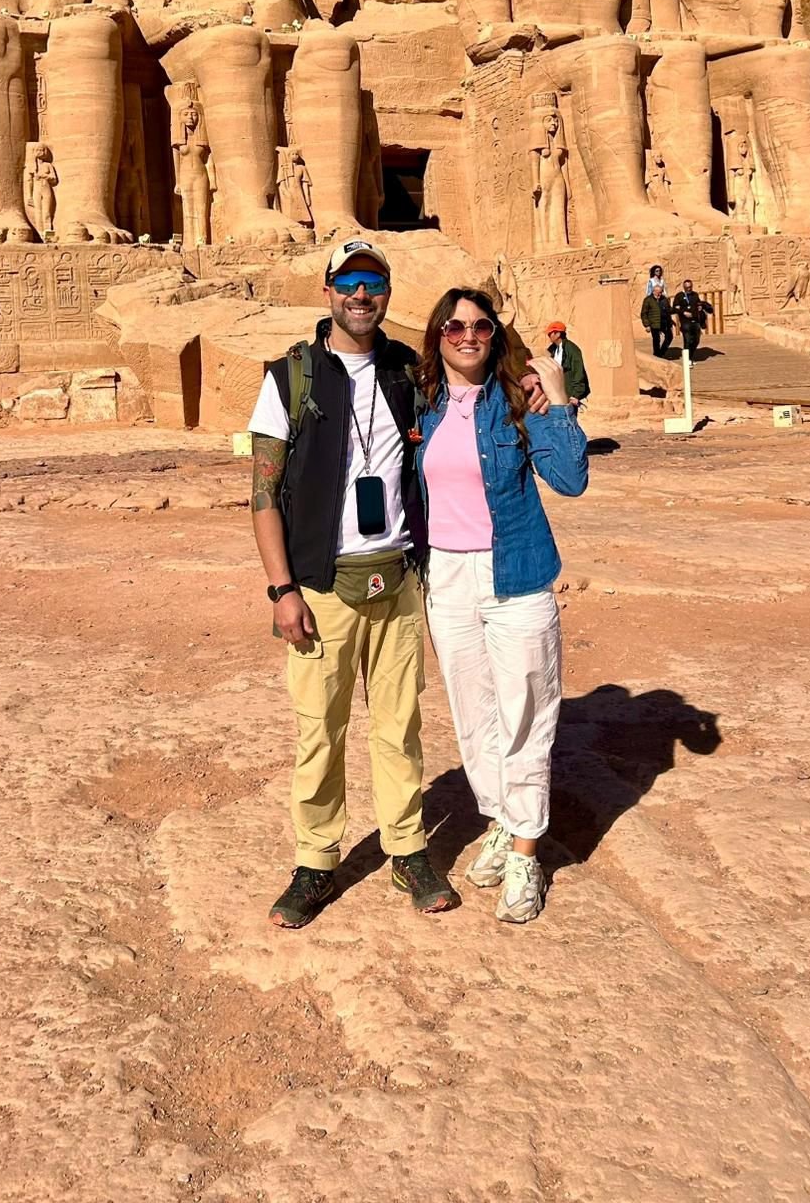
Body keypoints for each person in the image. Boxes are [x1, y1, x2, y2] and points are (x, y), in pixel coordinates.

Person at [248, 240, 548, 930]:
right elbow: (263, 494)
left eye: (373, 282)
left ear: (386, 293)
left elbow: (479, 375)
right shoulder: (290, 377)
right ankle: (316, 861)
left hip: (398, 577)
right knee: (320, 730)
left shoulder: (407, 371)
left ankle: (408, 849)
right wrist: (281, 590)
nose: (361, 294)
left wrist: (535, 380)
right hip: (321, 584)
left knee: (399, 727)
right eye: (349, 281)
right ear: (328, 290)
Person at [416, 289, 588, 922]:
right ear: (437, 336)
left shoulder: (520, 399)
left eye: (480, 326)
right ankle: (498, 820)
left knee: (525, 716)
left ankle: (524, 850)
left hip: (514, 572)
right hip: (447, 577)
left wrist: (559, 400)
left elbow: (570, 478)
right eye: (455, 326)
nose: (468, 335)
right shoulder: (422, 403)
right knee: (474, 716)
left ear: (494, 335)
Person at [545, 321, 590, 407]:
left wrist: (576, 395)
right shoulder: (552, 350)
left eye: (550, 333)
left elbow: (578, 372)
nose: (548, 335)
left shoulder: (572, 349)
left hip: (569, 396)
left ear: (558, 334)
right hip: (556, 395)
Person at [672, 279, 712, 365]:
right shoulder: (679, 296)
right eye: (687, 287)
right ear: (684, 287)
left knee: (696, 340)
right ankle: (687, 360)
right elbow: (675, 308)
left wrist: (700, 307)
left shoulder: (695, 294)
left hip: (695, 320)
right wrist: (683, 312)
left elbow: (698, 303)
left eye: (690, 287)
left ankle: (690, 356)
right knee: (687, 340)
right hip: (685, 321)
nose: (689, 289)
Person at [640, 284, 674, 358]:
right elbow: (644, 313)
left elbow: (669, 310)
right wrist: (647, 325)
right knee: (656, 340)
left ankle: (661, 352)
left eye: (661, 292)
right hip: (654, 323)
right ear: (653, 292)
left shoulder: (664, 299)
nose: (659, 294)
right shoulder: (648, 300)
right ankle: (657, 355)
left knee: (669, 336)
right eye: (658, 292)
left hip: (664, 322)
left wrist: (671, 321)